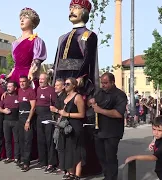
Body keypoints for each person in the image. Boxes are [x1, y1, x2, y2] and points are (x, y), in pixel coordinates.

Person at [49, 0, 101, 176]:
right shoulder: (62, 37)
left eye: (77, 8)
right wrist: (56, 82)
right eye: (71, 8)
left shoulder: (89, 35)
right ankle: (64, 165)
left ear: (85, 11)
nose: (72, 10)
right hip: (62, 81)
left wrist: (80, 78)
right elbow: (57, 63)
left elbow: (88, 59)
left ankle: (80, 169)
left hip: (77, 81)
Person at [89, 73, 127, 180]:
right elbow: (91, 102)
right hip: (99, 130)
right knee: (101, 156)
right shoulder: (99, 92)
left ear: (112, 82)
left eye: (106, 83)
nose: (103, 85)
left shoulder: (119, 95)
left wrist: (100, 110)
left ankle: (112, 178)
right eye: (102, 83)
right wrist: (91, 102)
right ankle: (107, 176)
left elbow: (119, 113)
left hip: (112, 132)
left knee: (110, 157)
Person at [6, 7, 47, 89]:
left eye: (25, 18)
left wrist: (31, 72)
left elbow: (37, 61)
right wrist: (10, 74)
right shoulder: (15, 43)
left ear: (32, 22)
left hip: (28, 75)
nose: (22, 20)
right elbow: (15, 64)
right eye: (21, 18)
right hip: (15, 76)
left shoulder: (37, 41)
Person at [57, 77, 86, 180]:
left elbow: (82, 114)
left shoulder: (77, 97)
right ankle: (70, 173)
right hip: (65, 127)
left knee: (76, 151)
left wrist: (67, 114)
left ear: (74, 85)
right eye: (65, 83)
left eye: (68, 84)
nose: (65, 85)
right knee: (67, 150)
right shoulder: (65, 96)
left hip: (75, 127)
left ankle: (77, 175)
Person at [34, 73, 58, 172]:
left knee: (49, 141)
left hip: (48, 117)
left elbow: (55, 103)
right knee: (41, 140)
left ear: (47, 80)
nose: (40, 81)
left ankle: (51, 163)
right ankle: (43, 161)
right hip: (39, 117)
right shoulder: (38, 89)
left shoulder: (51, 89)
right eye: (40, 79)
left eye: (42, 79)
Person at [17, 76, 36, 172]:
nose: (22, 83)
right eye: (20, 82)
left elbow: (33, 108)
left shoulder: (31, 91)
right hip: (19, 117)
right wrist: (5, 92)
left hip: (27, 117)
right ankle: (22, 159)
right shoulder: (19, 90)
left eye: (24, 81)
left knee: (27, 141)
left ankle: (26, 163)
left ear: (28, 82)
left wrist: (28, 121)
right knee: (21, 140)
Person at [0, 81, 20, 163]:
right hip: (6, 121)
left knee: (17, 140)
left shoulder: (18, 97)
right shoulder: (4, 97)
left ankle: (17, 157)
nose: (8, 88)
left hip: (16, 122)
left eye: (10, 86)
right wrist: (3, 110)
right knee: (7, 140)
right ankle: (9, 157)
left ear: (15, 88)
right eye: (8, 86)